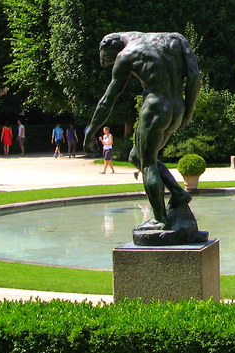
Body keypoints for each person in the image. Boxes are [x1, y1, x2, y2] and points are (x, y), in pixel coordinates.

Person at [83, 31, 200, 228]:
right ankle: (178, 193)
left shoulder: (127, 54)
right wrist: (189, 111)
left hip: (155, 107)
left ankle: (160, 219)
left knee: (147, 164)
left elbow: (107, 100)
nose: (113, 62)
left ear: (111, 45)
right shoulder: (176, 39)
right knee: (136, 156)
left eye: (110, 58)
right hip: (177, 108)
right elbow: (194, 76)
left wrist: (90, 131)